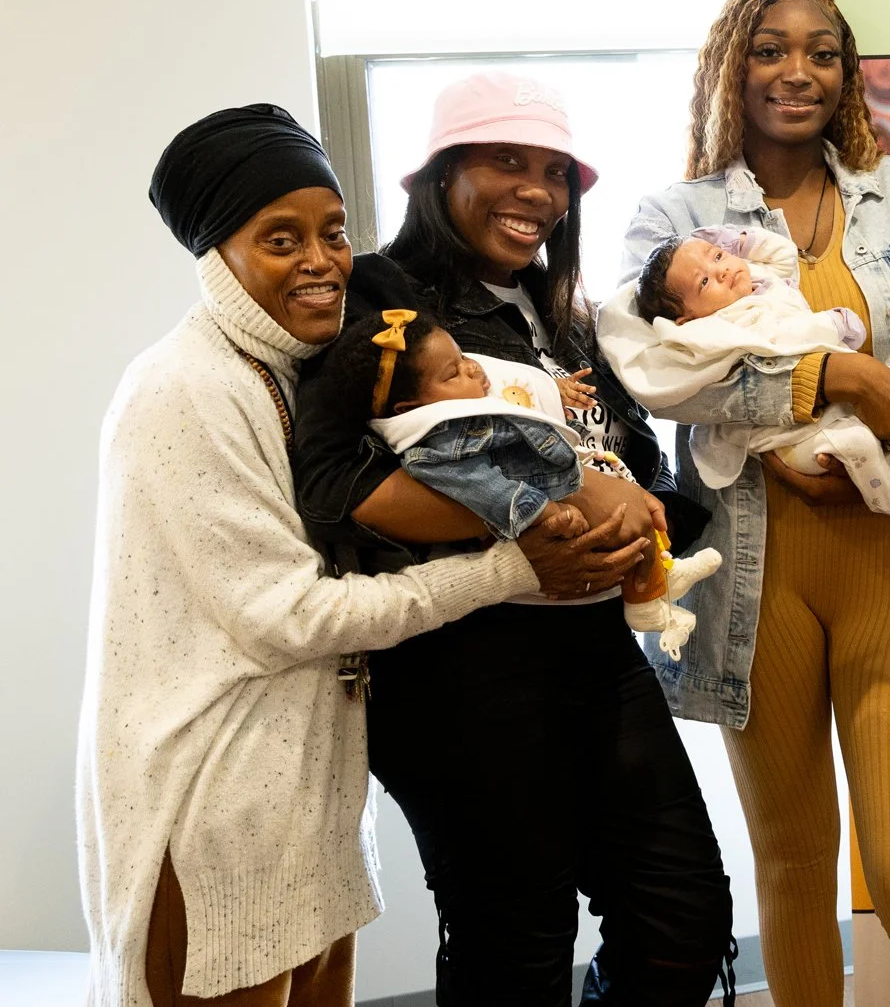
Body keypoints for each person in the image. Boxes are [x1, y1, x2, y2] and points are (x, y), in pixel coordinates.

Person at [79, 106, 625, 1007]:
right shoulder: (182, 390)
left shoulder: (309, 372)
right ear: (217, 250)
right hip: (210, 819)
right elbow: (289, 614)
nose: (321, 261)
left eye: (332, 232)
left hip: (305, 806)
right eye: (280, 239)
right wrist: (515, 567)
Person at [290, 72, 734, 1005]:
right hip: (457, 667)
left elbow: (634, 453)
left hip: (594, 652)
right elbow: (333, 485)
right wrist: (542, 519)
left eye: (555, 171)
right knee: (517, 948)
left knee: (683, 923)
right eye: (504, 161)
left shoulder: (561, 312)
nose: (536, 190)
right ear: (439, 175)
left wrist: (639, 510)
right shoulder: (380, 300)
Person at [620, 0, 890, 1007]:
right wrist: (833, 379)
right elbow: (660, 373)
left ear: (847, 71)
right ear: (730, 65)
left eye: (822, 52)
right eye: (771, 48)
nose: (798, 71)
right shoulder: (674, 216)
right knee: (790, 868)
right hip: (759, 579)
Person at [314, 307, 721, 645]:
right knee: (619, 533)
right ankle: (647, 602)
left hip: (576, 500)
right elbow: (483, 486)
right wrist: (541, 511)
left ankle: (661, 578)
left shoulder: (466, 406)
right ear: (408, 409)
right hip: (543, 541)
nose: (472, 368)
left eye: (463, 357)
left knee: (635, 529)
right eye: (453, 373)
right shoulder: (439, 444)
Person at [596, 223, 890, 525]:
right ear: (685, 319)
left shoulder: (757, 288)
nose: (722, 270)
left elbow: (783, 255)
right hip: (793, 437)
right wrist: (833, 330)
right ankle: (889, 497)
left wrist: (740, 240)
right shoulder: (716, 327)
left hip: (829, 414)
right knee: (859, 442)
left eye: (718, 256)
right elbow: (782, 341)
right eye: (704, 282)